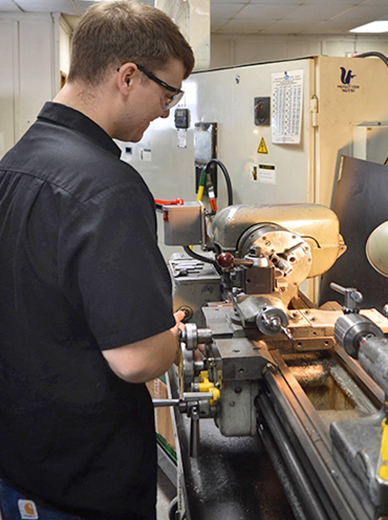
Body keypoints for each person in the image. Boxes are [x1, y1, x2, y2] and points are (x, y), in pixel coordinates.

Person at [0, 1, 194, 519]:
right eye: (168, 91)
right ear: (128, 76)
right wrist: (175, 334)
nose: (166, 110)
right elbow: (136, 360)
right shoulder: (108, 187)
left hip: (22, 462)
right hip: (84, 481)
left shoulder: (16, 161)